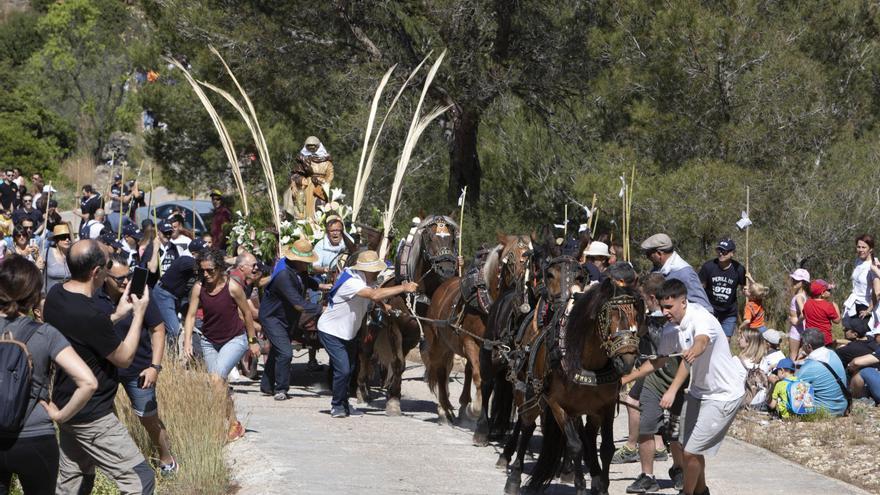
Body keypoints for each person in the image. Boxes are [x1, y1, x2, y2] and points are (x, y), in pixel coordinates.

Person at [43, 239, 155, 494]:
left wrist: (117, 314)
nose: (109, 270)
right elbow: (124, 358)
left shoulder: (55, 296)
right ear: (95, 272)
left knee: (76, 480)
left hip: (65, 403)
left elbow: (84, 334)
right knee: (141, 479)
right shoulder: (91, 313)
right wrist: (138, 314)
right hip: (93, 414)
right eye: (106, 266)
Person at [0, 256, 97, 495]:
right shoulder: (46, 333)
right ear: (34, 294)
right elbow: (88, 382)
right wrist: (61, 415)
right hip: (35, 436)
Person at [642, 279, 745, 495]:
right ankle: (701, 491)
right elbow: (657, 361)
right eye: (662, 307)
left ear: (684, 302)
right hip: (699, 393)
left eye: (669, 307)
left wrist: (672, 388)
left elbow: (702, 341)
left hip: (723, 395)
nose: (665, 312)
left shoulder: (701, 318)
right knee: (687, 448)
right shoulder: (671, 329)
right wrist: (623, 380)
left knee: (690, 452)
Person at [96, 254, 178, 476]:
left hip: (138, 369)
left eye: (128, 276)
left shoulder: (140, 295)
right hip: (105, 370)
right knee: (104, 419)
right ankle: (116, 466)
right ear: (104, 276)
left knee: (148, 418)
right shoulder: (94, 298)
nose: (125, 282)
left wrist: (155, 367)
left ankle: (166, 458)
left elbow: (158, 330)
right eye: (119, 278)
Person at [318, 250, 418, 418]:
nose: (378, 273)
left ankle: (344, 404)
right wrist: (403, 287)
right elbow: (373, 293)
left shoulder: (364, 279)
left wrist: (383, 307)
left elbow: (373, 295)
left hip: (348, 332)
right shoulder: (351, 282)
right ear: (365, 270)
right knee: (343, 370)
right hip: (331, 331)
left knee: (349, 369)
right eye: (375, 270)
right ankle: (337, 406)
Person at [182, 248, 260, 441]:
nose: (206, 275)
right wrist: (187, 343)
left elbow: (247, 314)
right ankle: (234, 424)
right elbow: (191, 315)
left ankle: (217, 428)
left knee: (216, 379)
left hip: (235, 338)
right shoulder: (199, 288)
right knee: (219, 383)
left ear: (220, 269)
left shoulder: (232, 287)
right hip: (209, 341)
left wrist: (252, 341)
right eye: (203, 271)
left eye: (210, 270)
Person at [619, 273, 685, 494]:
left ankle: (678, 469)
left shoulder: (683, 321)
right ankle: (647, 476)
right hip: (654, 378)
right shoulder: (648, 319)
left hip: (680, 379)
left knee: (675, 432)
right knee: (646, 426)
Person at [260, 240, 325, 400]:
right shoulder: (283, 274)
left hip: (286, 316)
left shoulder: (296, 267)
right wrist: (321, 309)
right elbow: (298, 304)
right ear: (297, 259)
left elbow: (304, 280)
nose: (308, 265)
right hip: (272, 317)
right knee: (285, 352)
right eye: (306, 262)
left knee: (277, 351)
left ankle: (266, 386)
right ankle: (281, 389)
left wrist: (320, 286)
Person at [640, 233, 713, 313]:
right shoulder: (657, 269)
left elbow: (704, 308)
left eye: (649, 254)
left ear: (659, 254)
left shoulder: (685, 273)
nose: (647, 258)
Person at [153, 238, 204, 346]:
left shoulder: (192, 260)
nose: (206, 257)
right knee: (174, 329)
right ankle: (170, 356)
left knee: (191, 323)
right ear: (194, 253)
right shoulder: (186, 260)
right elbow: (198, 266)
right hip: (164, 294)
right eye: (203, 254)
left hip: (177, 297)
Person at [699, 238, 746, 337]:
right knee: (707, 337)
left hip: (729, 311)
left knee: (725, 339)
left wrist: (748, 289)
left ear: (732, 253)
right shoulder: (708, 267)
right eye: (719, 250)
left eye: (724, 251)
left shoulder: (739, 269)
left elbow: (744, 288)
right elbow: (700, 287)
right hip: (710, 309)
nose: (721, 253)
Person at [796, 327, 849, 416]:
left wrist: (797, 365)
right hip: (842, 407)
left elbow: (796, 389)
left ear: (809, 346)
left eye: (802, 344)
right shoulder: (833, 354)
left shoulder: (809, 367)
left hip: (823, 411)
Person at [842, 235, 875, 336]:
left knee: (859, 333)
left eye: (864, 247)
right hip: (854, 302)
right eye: (858, 247)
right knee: (847, 332)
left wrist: (869, 310)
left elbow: (877, 291)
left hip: (866, 305)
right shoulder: (858, 261)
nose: (860, 250)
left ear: (871, 249)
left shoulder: (874, 266)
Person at [294, 135, 334, 210]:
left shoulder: (326, 161)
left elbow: (330, 174)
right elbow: (297, 173)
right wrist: (301, 179)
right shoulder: (304, 160)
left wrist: (326, 184)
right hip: (309, 185)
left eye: (313, 146)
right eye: (309, 146)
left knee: (322, 206)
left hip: (322, 186)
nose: (312, 148)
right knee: (309, 206)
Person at [737, 327, 770, 407]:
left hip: (743, 400)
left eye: (741, 337)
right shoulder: (763, 360)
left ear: (748, 342)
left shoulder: (738, 361)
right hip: (761, 401)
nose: (738, 339)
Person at [803, 279, 841, 347]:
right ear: (822, 293)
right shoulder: (828, 306)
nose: (830, 292)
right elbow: (837, 320)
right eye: (828, 290)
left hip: (810, 339)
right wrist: (836, 306)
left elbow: (804, 314)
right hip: (825, 340)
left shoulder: (807, 303)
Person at [788, 268, 811, 359]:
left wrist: (796, 322)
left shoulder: (799, 296)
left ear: (803, 283)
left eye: (796, 281)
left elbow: (804, 313)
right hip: (802, 329)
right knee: (800, 356)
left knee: (792, 356)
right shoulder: (804, 295)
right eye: (793, 280)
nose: (793, 282)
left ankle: (791, 373)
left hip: (796, 330)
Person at [44, 224, 73, 294]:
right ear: (56, 240)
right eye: (63, 237)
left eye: (69, 237)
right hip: (50, 297)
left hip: (69, 297)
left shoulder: (73, 254)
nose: (67, 239)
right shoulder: (46, 253)